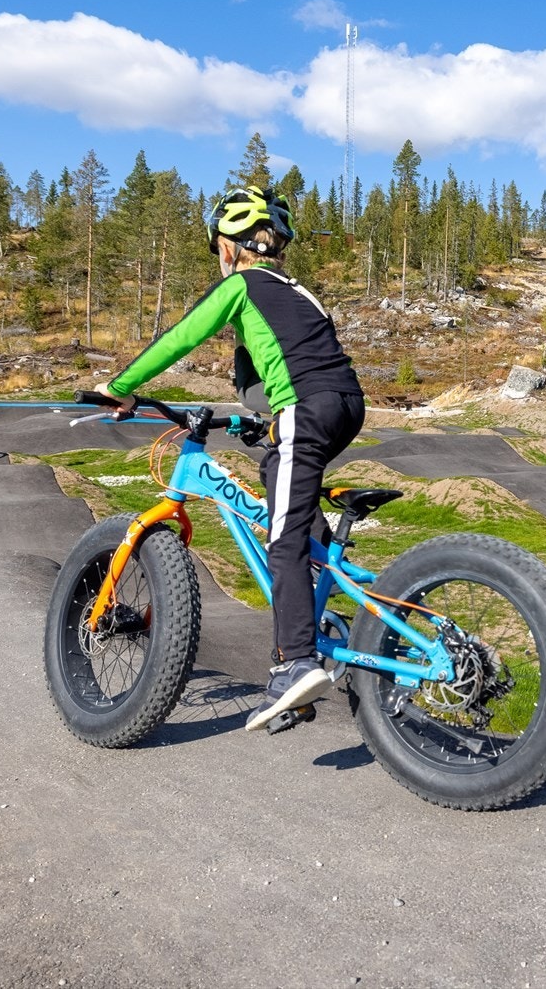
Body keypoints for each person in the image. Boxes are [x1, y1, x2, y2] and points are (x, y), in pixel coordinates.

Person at [96, 185, 366, 731]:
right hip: (343, 406)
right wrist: (265, 420)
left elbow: (180, 337)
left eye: (219, 245)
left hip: (308, 410)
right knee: (277, 474)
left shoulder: (242, 285)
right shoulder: (299, 293)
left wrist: (120, 387)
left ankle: (296, 663)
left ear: (227, 246)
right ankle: (316, 609)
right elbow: (281, 365)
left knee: (282, 536)